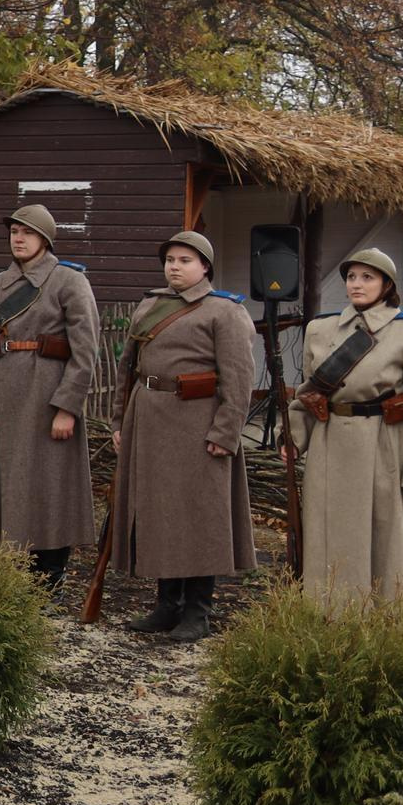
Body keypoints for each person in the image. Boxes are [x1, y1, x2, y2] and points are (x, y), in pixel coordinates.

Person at [109, 231, 257, 641]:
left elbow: (239, 379)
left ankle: (197, 612)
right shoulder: (150, 305)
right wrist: (120, 421)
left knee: (199, 517)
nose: (174, 266)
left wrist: (225, 433)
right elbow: (128, 369)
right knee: (160, 514)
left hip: (198, 426)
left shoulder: (225, 312)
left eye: (185, 260)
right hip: (150, 423)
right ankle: (167, 605)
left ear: (205, 266)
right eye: (170, 259)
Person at [285, 248, 403, 609]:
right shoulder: (320, 329)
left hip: (384, 446)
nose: (356, 284)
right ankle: (326, 611)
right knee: (327, 531)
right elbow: (309, 392)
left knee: (384, 536)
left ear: (386, 285)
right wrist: (295, 438)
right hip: (329, 443)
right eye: (351, 277)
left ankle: (383, 618)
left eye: (367, 277)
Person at [0, 203, 99, 592]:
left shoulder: (68, 281)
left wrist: (67, 407)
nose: (18, 239)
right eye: (14, 232)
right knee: (2, 491)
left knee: (48, 492)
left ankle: (49, 581)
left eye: (28, 233)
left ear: (45, 239)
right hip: (0, 406)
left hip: (46, 401)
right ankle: (8, 579)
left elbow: (85, 352)